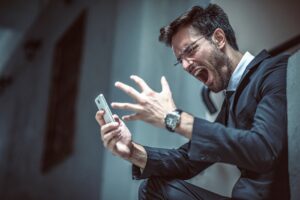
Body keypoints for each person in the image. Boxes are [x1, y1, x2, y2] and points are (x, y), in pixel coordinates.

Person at [95, 4, 290, 200]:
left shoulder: (276, 72)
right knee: (153, 188)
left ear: (219, 38)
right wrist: (131, 151)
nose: (186, 65)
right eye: (181, 60)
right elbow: (189, 161)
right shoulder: (232, 98)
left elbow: (264, 150)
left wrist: (174, 119)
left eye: (191, 50)